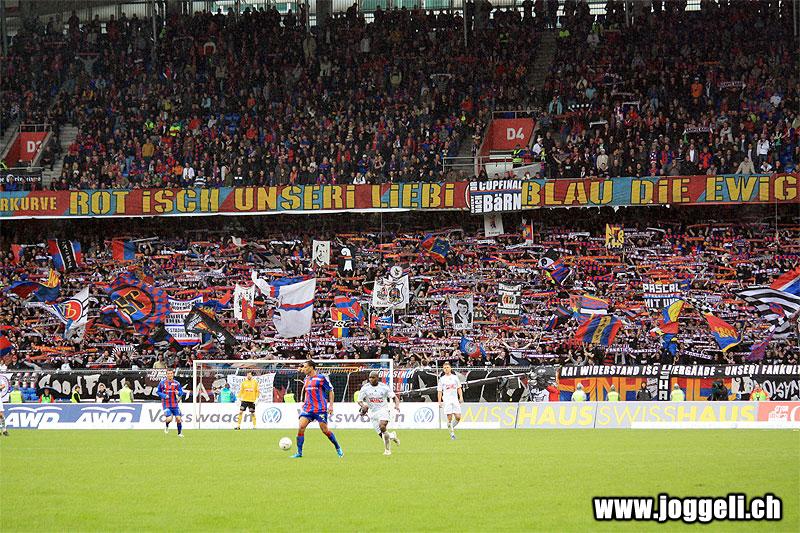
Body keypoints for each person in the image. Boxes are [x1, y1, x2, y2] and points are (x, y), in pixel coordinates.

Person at [291, 360, 343, 458]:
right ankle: (299, 452)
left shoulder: (321, 378)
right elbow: (308, 392)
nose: (303, 369)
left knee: (325, 430)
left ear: (311, 367)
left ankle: (337, 447)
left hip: (320, 408)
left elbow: (330, 391)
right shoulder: (306, 379)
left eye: (305, 367)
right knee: (301, 427)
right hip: (308, 408)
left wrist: (331, 406)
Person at [358, 371, 400, 455]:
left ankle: (387, 451)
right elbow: (359, 400)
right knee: (382, 435)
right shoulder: (365, 388)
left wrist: (397, 405)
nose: (371, 379)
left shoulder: (384, 387)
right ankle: (392, 436)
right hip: (372, 413)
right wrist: (363, 406)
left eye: (373, 377)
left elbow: (394, 397)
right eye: (370, 378)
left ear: (377, 378)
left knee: (382, 426)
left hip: (383, 410)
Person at [437, 362, 463, 440]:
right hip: (447, 400)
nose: (446, 369)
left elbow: (459, 388)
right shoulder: (442, 379)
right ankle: (452, 434)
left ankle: (451, 426)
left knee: (458, 417)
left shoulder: (455, 378)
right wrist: (439, 401)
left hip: (455, 399)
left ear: (450, 368)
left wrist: (461, 397)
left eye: (447, 367)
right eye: (445, 368)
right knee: (449, 417)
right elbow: (439, 391)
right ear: (443, 369)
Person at [157, 369, 186, 437]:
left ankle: (179, 433)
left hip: (175, 404)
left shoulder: (177, 383)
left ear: (173, 374)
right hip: (166, 404)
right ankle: (166, 426)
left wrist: (178, 393)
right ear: (166, 375)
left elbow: (181, 392)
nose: (170, 375)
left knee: (178, 418)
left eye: (171, 373)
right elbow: (158, 391)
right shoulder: (162, 383)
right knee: (169, 418)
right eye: (168, 373)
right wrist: (164, 395)